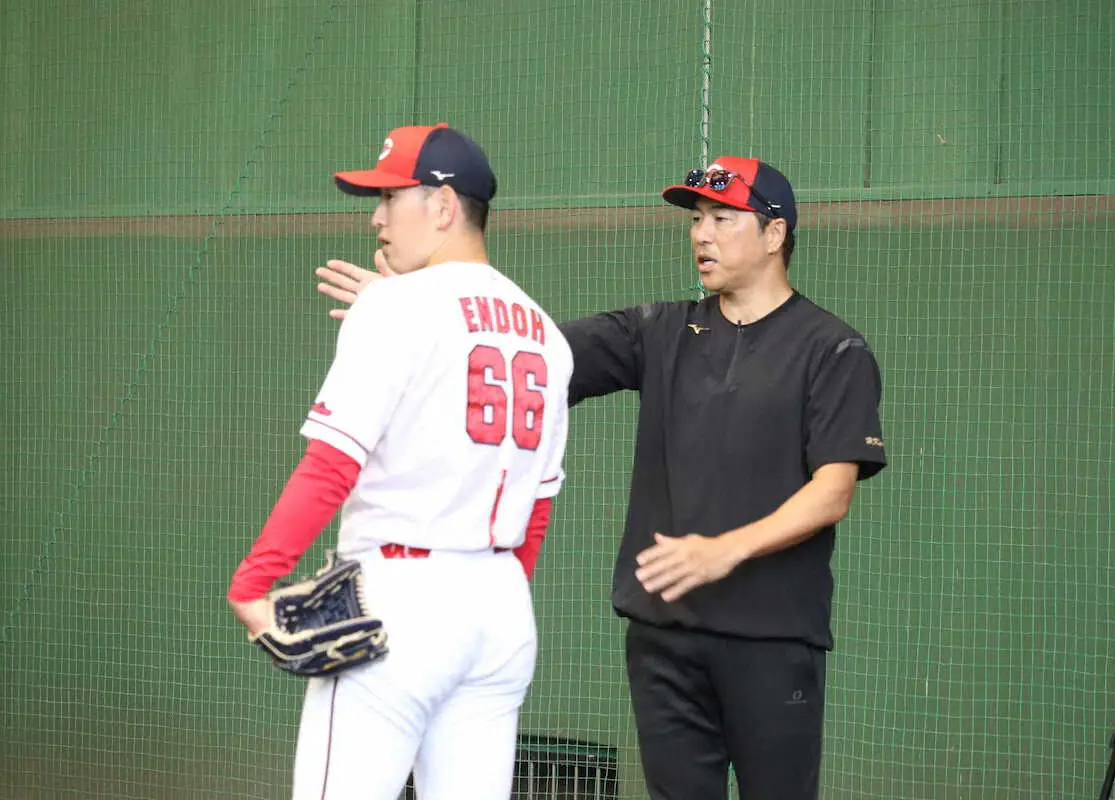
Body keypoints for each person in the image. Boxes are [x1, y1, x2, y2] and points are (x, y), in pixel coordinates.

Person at [317, 155, 887, 799]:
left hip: (773, 640)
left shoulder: (833, 349)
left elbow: (832, 492)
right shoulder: (662, 331)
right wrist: (414, 313)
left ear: (775, 233)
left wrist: (724, 550)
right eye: (696, 219)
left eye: (722, 219)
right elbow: (523, 359)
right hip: (662, 639)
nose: (701, 234)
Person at [227, 122, 573, 800]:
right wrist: (493, 598)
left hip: (400, 600)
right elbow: (538, 507)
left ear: (442, 206)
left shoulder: (393, 308)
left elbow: (331, 466)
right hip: (501, 610)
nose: (377, 218)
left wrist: (252, 584)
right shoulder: (545, 332)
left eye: (391, 198)